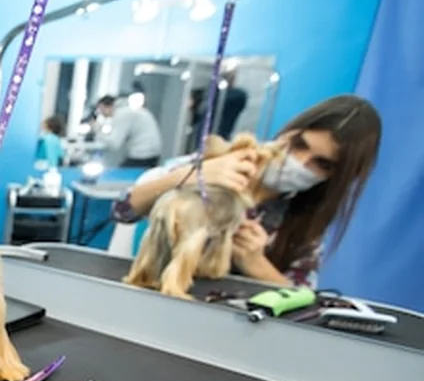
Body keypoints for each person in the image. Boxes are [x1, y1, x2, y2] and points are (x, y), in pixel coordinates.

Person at [111, 94, 382, 288]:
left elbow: (304, 303)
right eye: (300, 144)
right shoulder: (222, 161)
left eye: (321, 164)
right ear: (290, 132)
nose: (301, 162)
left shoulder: (303, 223)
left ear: (336, 176)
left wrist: (257, 264)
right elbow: (123, 210)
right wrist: (190, 175)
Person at [95, 94, 162, 168]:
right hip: (152, 153)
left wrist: (98, 131)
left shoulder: (122, 114)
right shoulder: (129, 110)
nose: (100, 112)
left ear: (107, 107)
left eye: (100, 109)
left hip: (142, 155)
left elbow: (115, 144)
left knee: (118, 177)